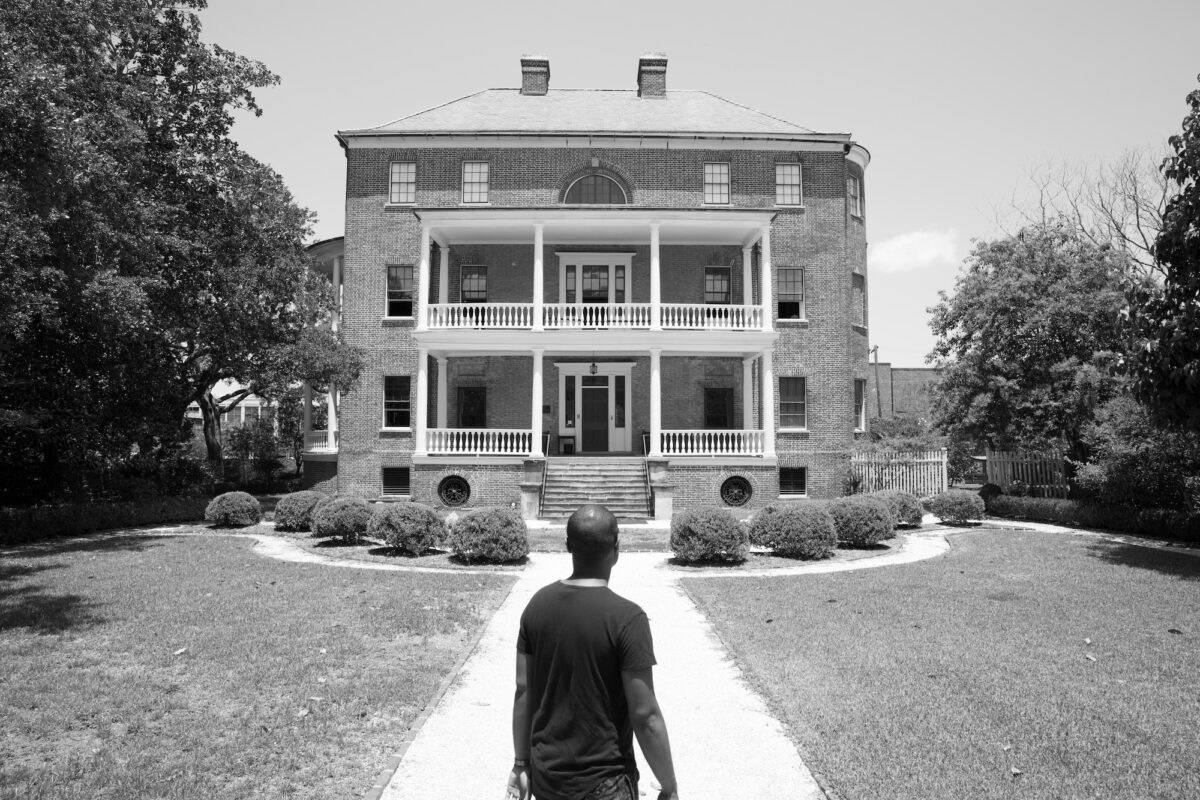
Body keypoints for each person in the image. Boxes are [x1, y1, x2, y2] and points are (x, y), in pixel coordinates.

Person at [506, 504, 679, 800]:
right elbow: (645, 715)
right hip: (606, 782)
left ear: (567, 546)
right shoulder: (627, 618)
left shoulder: (537, 605)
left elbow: (524, 690)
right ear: (617, 550)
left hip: (547, 775)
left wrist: (521, 762)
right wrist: (669, 785)